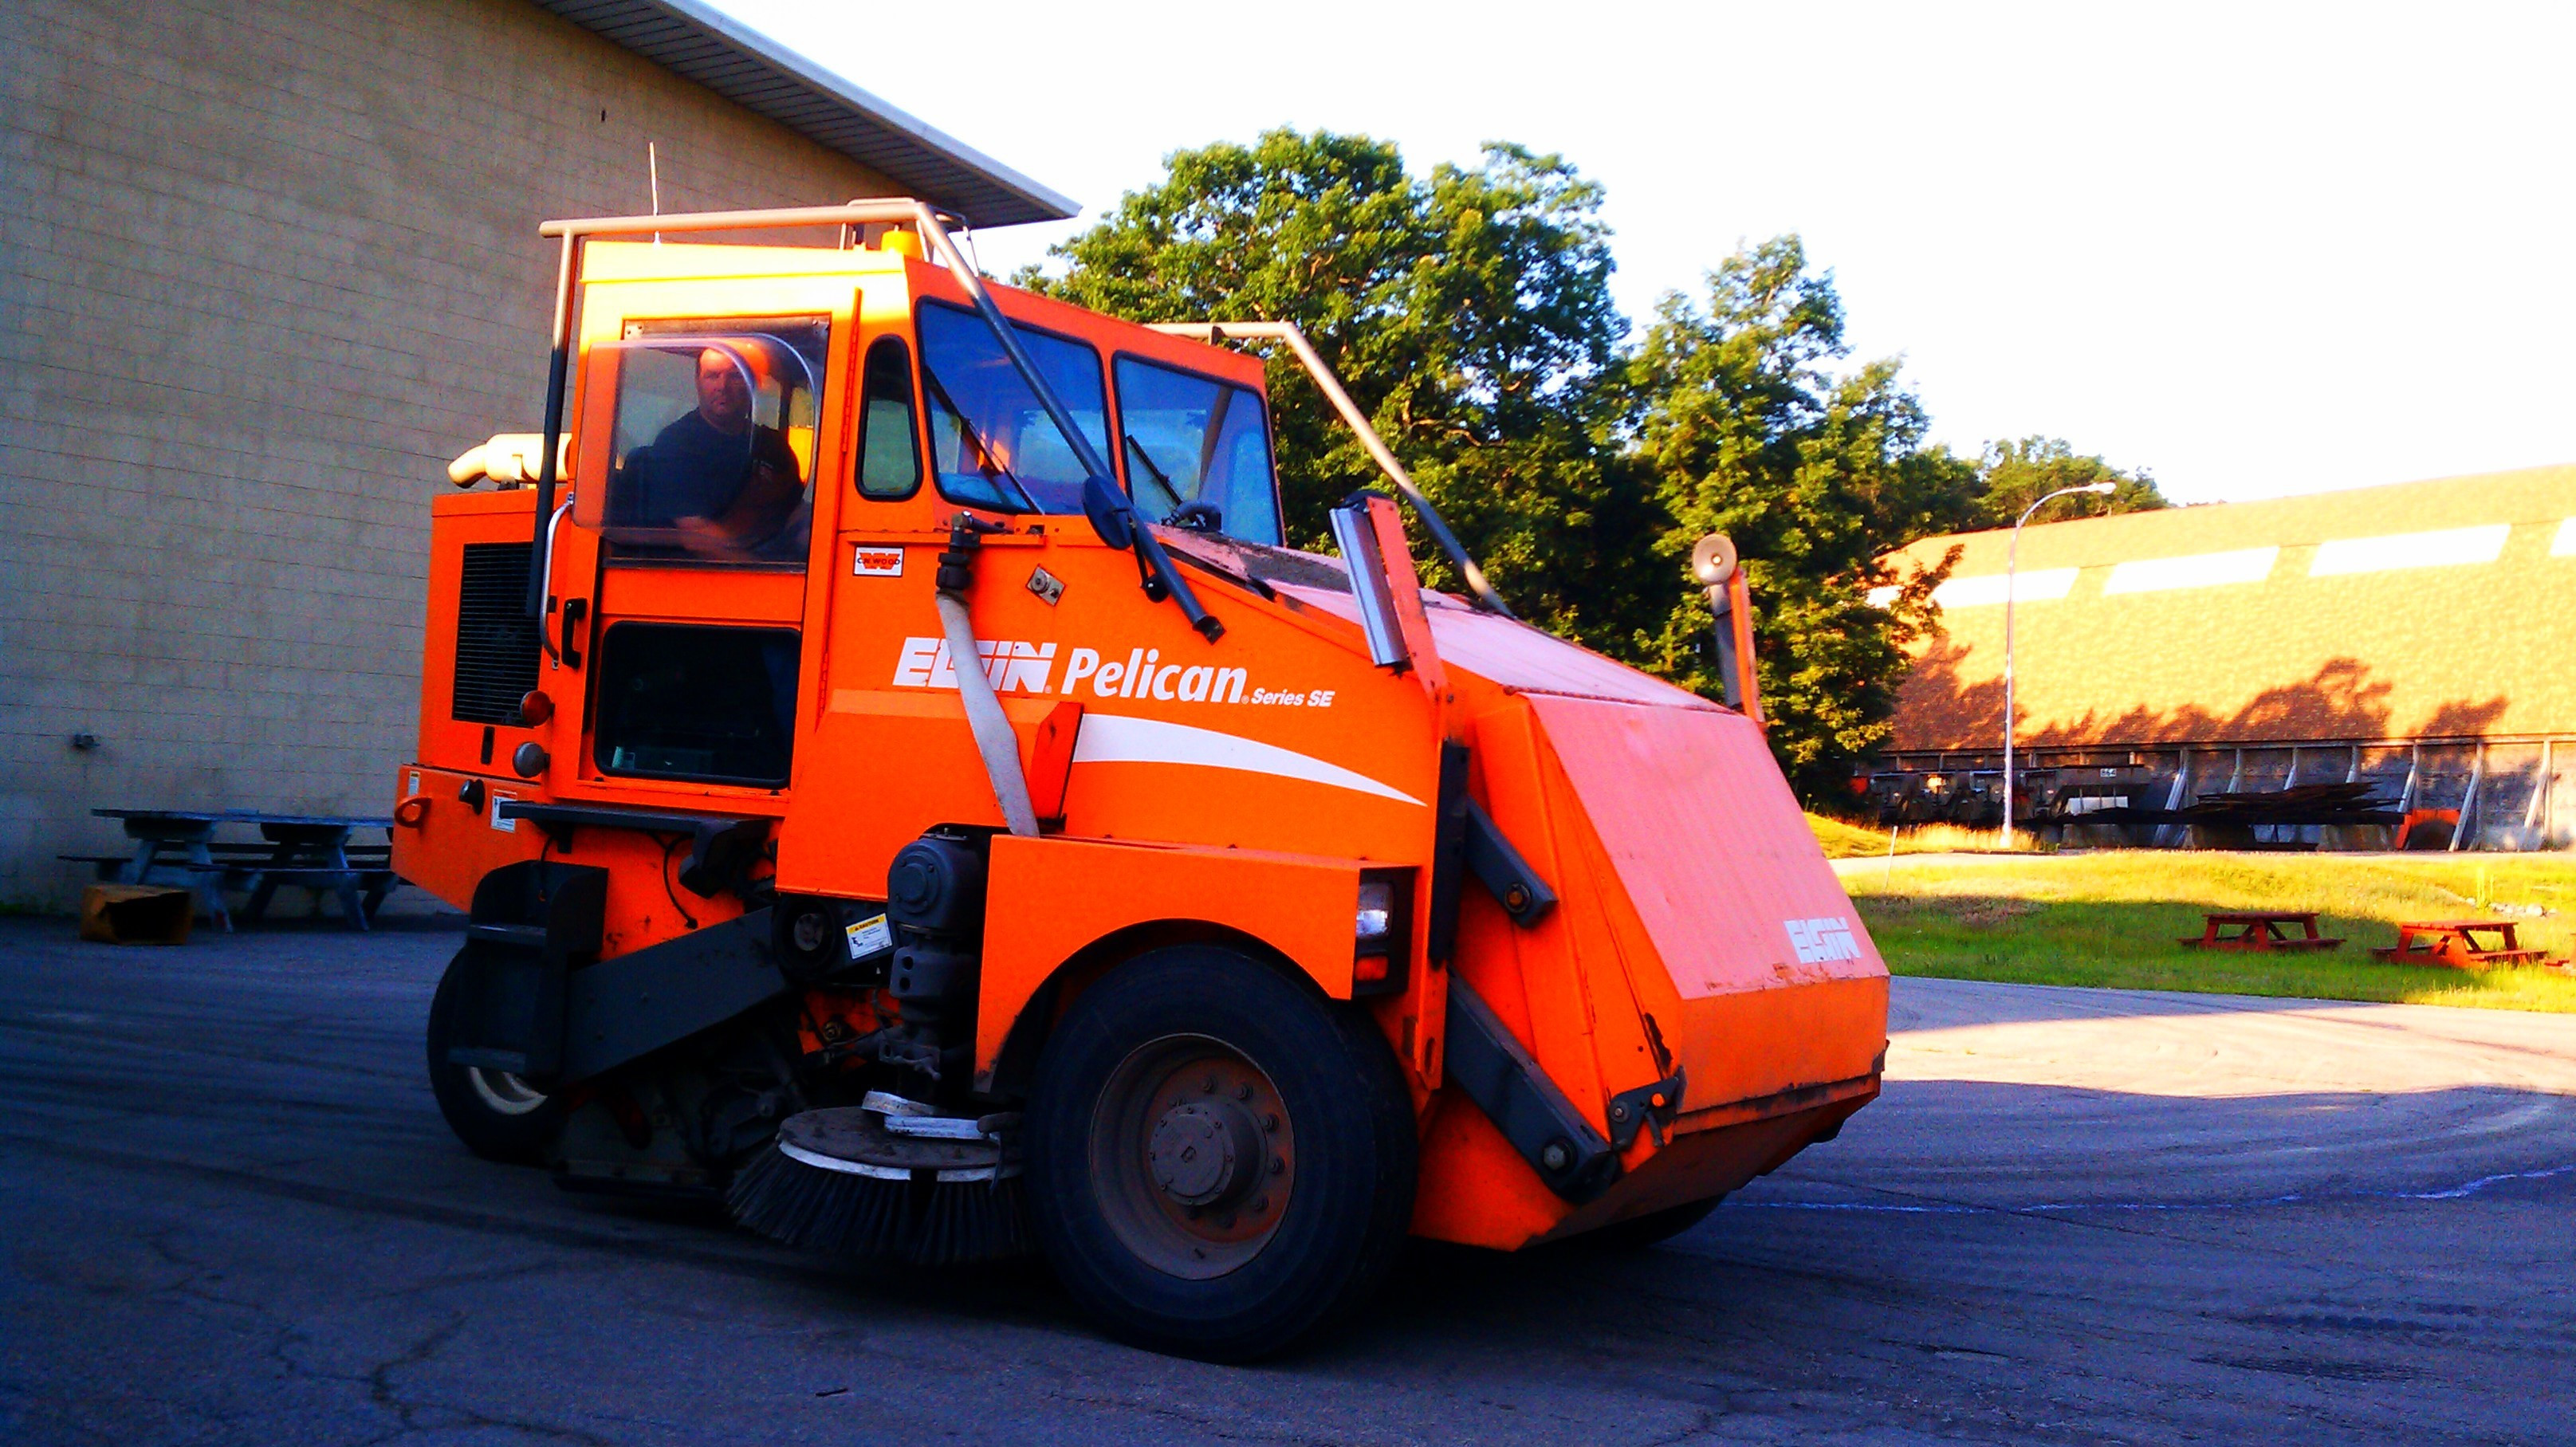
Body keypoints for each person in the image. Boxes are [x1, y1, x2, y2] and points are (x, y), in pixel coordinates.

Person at [638, 345, 804, 558]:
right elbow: (696, 536)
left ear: (750, 384)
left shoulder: (772, 445)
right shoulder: (676, 443)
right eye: (712, 376)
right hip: (706, 575)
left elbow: (797, 514)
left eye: (735, 376)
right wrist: (761, 574)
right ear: (698, 384)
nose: (722, 386)